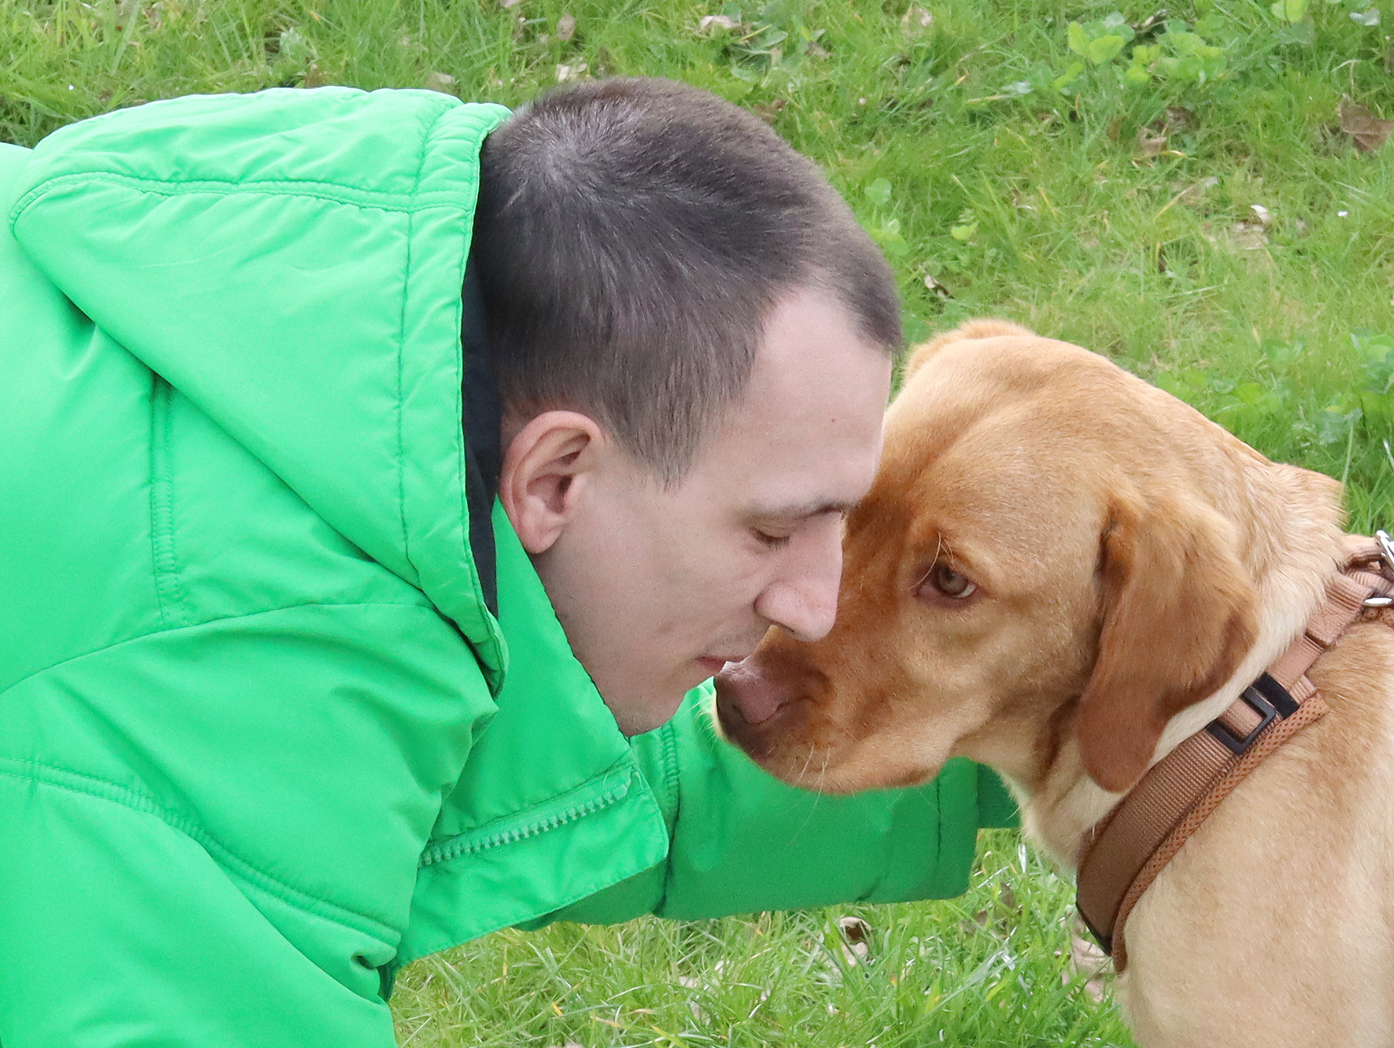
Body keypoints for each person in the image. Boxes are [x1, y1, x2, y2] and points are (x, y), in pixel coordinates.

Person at [0, 78, 1014, 1046]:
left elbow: (571, 763)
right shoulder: (243, 680)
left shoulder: (365, 345)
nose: (819, 601)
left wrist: (1029, 734)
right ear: (555, 478)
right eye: (770, 529)